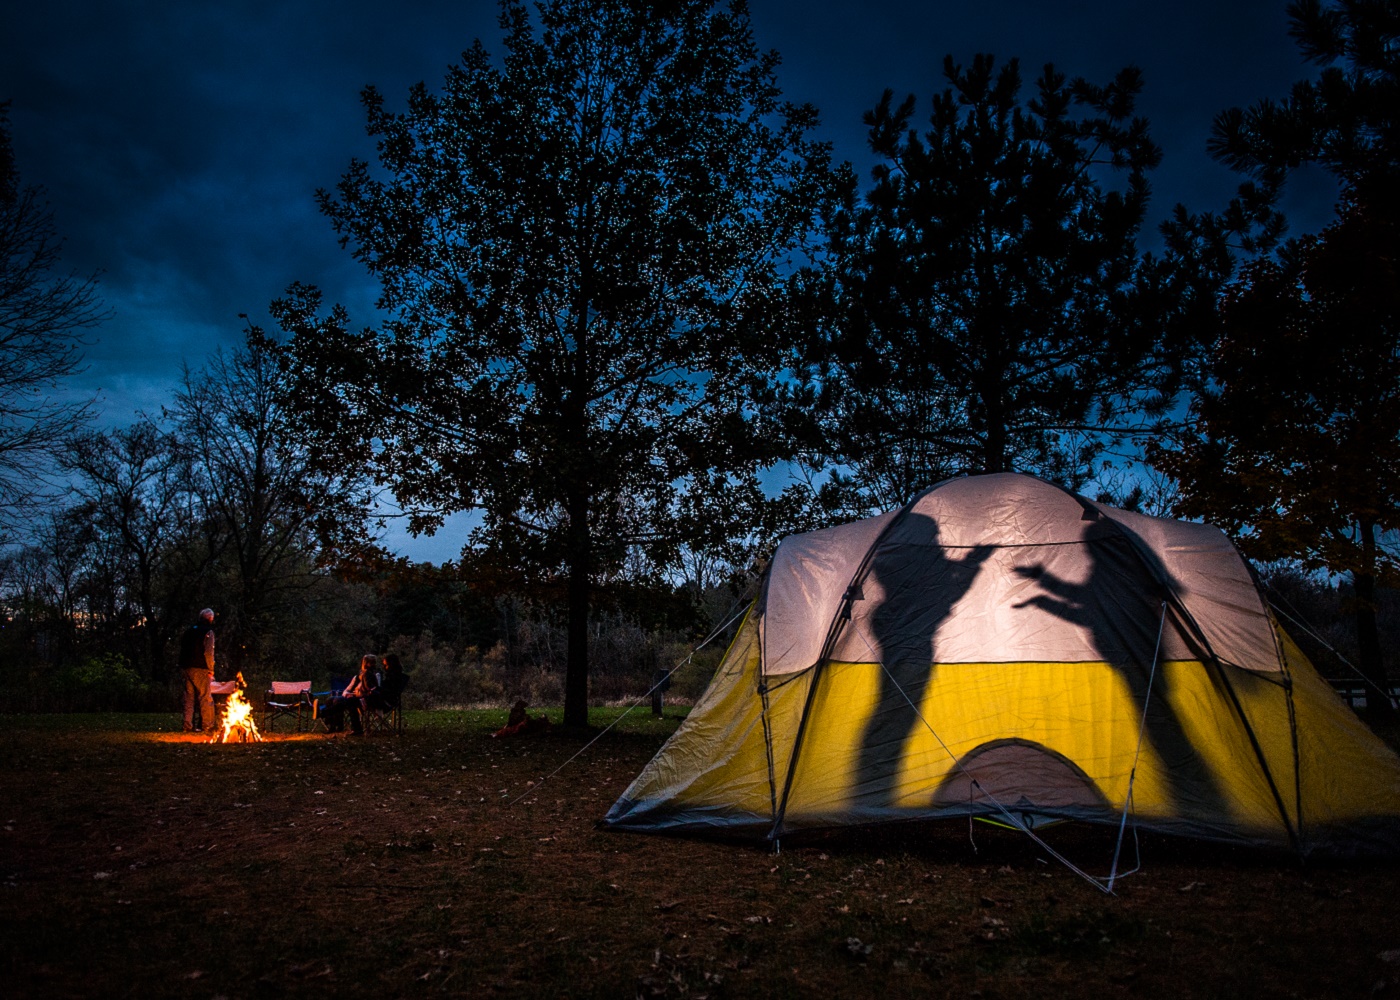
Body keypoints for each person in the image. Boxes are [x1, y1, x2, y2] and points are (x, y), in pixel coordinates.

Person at [179, 608, 217, 733]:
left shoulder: (189, 631)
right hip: (200, 667)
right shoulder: (208, 632)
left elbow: (183, 648)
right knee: (205, 697)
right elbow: (208, 652)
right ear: (210, 618)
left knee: (189, 698)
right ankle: (207, 725)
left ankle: (187, 725)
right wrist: (211, 669)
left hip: (186, 667)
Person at [321, 654, 378, 735]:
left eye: (372, 662)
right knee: (330, 699)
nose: (370, 664)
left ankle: (338, 725)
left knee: (338, 700)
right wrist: (349, 692)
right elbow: (350, 688)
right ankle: (332, 726)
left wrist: (355, 692)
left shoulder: (369, 674)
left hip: (360, 698)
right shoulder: (360, 675)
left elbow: (368, 689)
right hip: (353, 695)